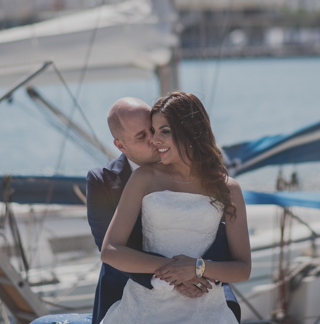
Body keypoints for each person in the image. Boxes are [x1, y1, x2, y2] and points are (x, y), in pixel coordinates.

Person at [97, 92, 251, 324]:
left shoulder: (229, 189)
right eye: (153, 131)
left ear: (190, 130)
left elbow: (243, 268)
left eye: (164, 131)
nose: (155, 140)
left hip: (207, 309)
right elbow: (110, 250)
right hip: (146, 309)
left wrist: (198, 268)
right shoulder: (144, 178)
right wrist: (176, 269)